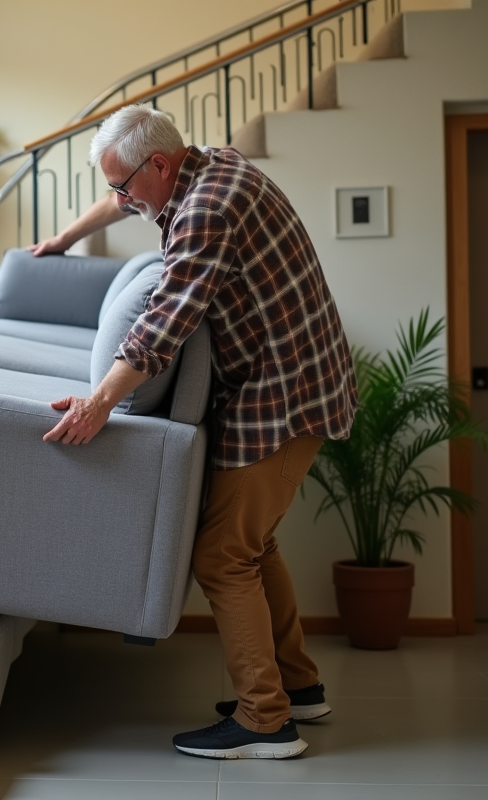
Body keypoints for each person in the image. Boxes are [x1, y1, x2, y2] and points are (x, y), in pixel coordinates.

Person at [37, 104, 357, 759]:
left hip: (284, 396)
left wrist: (100, 403)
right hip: (284, 381)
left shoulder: (205, 211)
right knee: (254, 545)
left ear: (159, 164)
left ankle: (266, 721)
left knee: (223, 555)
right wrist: (65, 241)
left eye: (124, 186)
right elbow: (121, 204)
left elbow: (164, 323)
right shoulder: (201, 161)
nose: (121, 201)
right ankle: (295, 687)